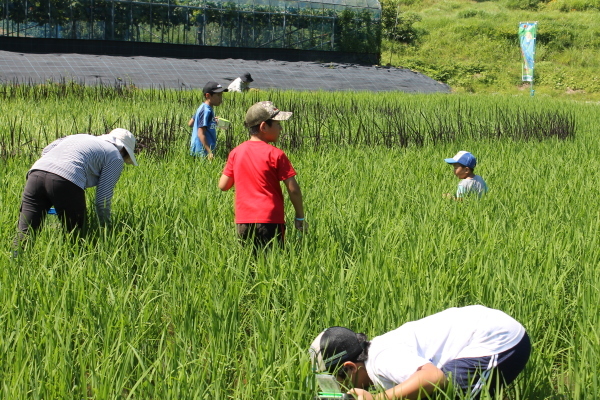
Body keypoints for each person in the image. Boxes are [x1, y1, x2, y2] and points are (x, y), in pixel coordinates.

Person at [309, 305, 531, 400]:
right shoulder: (375, 356)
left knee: (446, 392)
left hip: (499, 339)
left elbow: (432, 377)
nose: (338, 390)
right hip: (480, 332)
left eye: (334, 382)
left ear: (349, 368)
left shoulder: (382, 359)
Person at [14, 128, 138, 246]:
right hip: (66, 180)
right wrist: (106, 229)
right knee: (77, 237)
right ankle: (73, 263)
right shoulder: (115, 156)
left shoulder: (80, 137)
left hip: (36, 173)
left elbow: (47, 150)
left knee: (24, 234)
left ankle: (14, 262)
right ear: (124, 150)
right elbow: (102, 200)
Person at [218, 101, 306, 248]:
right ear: (263, 127)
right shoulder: (276, 154)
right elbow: (294, 190)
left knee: (248, 264)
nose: (281, 128)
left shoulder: (236, 152)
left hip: (243, 221)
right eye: (277, 124)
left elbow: (223, 186)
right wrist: (299, 216)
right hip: (270, 220)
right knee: (271, 264)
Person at [189, 81, 228, 159]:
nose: (221, 98)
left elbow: (190, 123)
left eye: (221, 95)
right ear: (208, 95)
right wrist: (209, 152)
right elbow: (200, 133)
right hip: (202, 151)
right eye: (218, 95)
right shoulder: (206, 111)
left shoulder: (203, 108)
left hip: (201, 150)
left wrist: (212, 121)